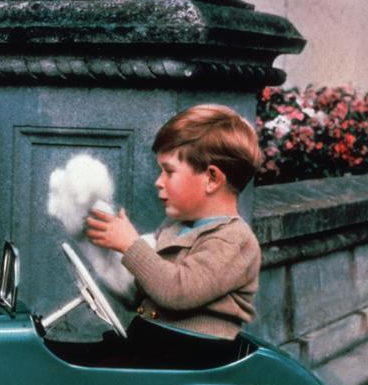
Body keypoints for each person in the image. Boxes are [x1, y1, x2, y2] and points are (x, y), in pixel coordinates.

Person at [85, 104, 262, 362]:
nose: (158, 181)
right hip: (155, 343)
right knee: (67, 354)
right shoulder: (174, 227)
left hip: (193, 354)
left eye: (169, 171)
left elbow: (178, 292)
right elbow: (141, 292)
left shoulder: (234, 240)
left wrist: (130, 245)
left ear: (212, 178)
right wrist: (104, 255)